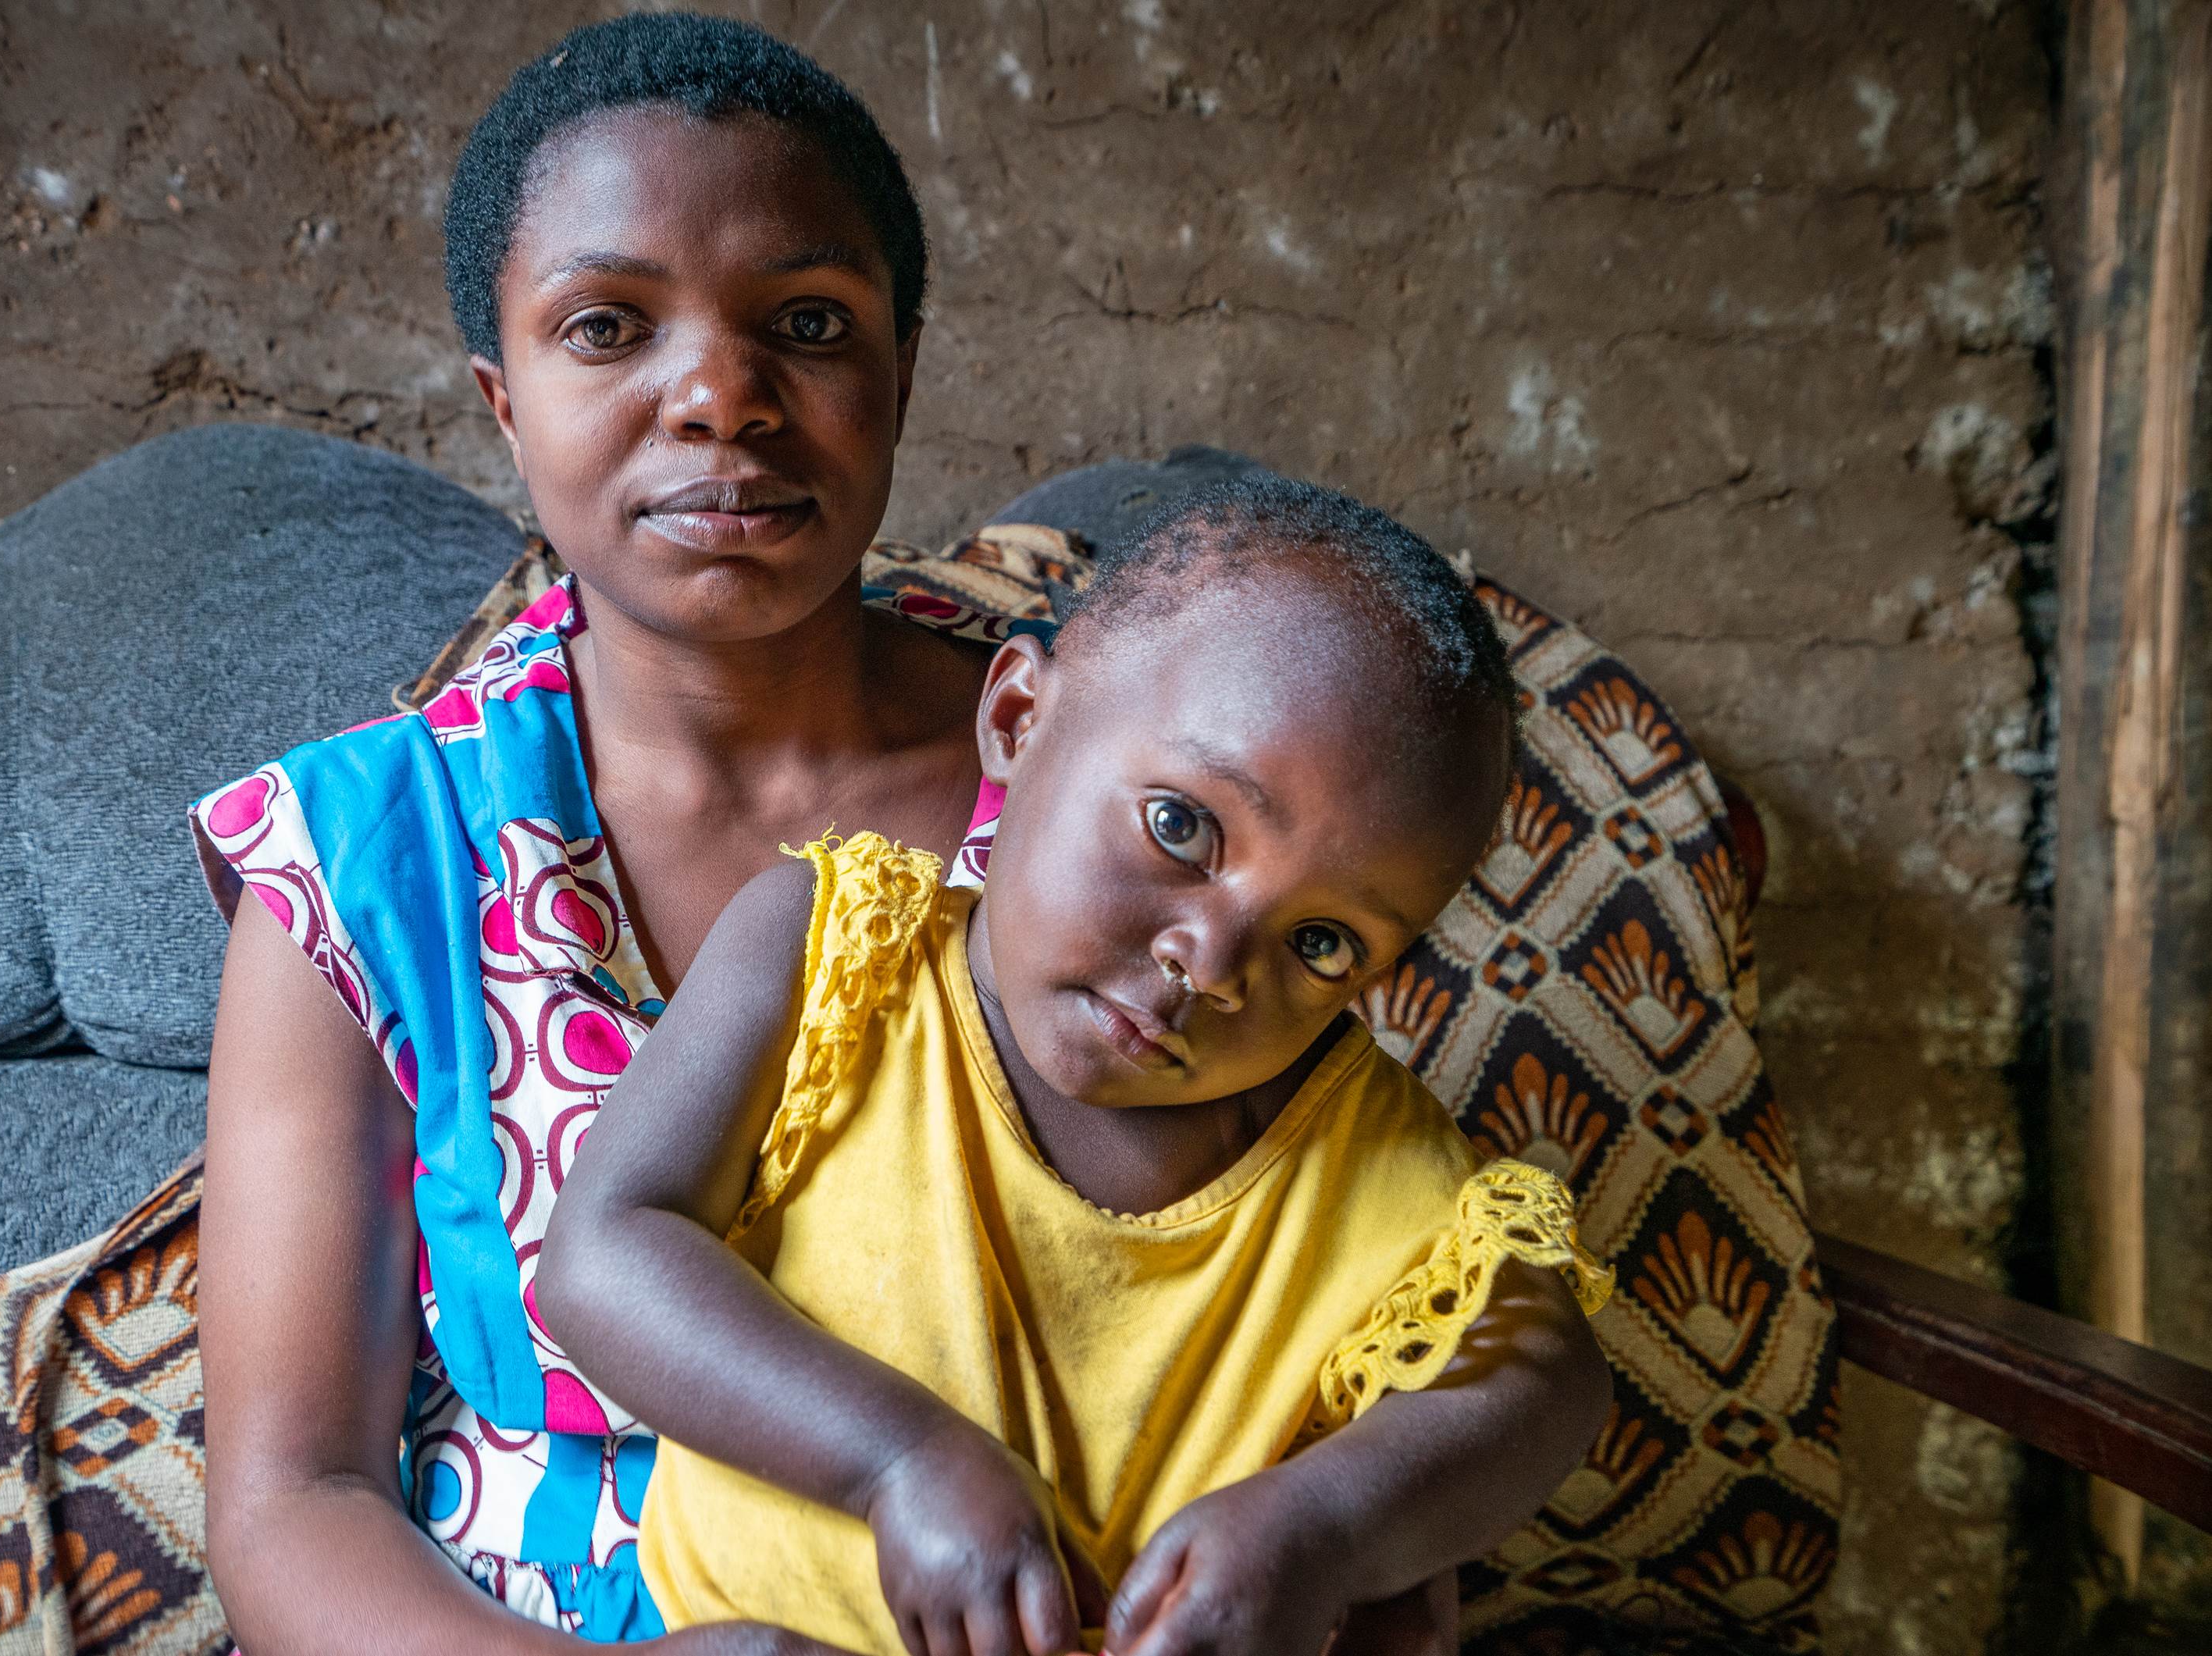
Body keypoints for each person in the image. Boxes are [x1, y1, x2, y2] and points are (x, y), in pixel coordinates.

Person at [194, 13, 1613, 1654]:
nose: (722, 396)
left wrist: (1336, 1529)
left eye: (807, 323)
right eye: (606, 327)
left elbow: (1336, 1271)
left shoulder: (1145, 769)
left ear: (900, 371)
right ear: (503, 399)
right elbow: (294, 1499)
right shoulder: (372, 861)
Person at [539, 480, 1613, 1656]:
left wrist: (1327, 1526)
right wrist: (898, 1459)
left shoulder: (1363, 1164)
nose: (1209, 961)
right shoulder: (831, 954)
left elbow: (1551, 1385)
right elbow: (603, 1253)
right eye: (1181, 826)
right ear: (1017, 717)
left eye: (1323, 943)